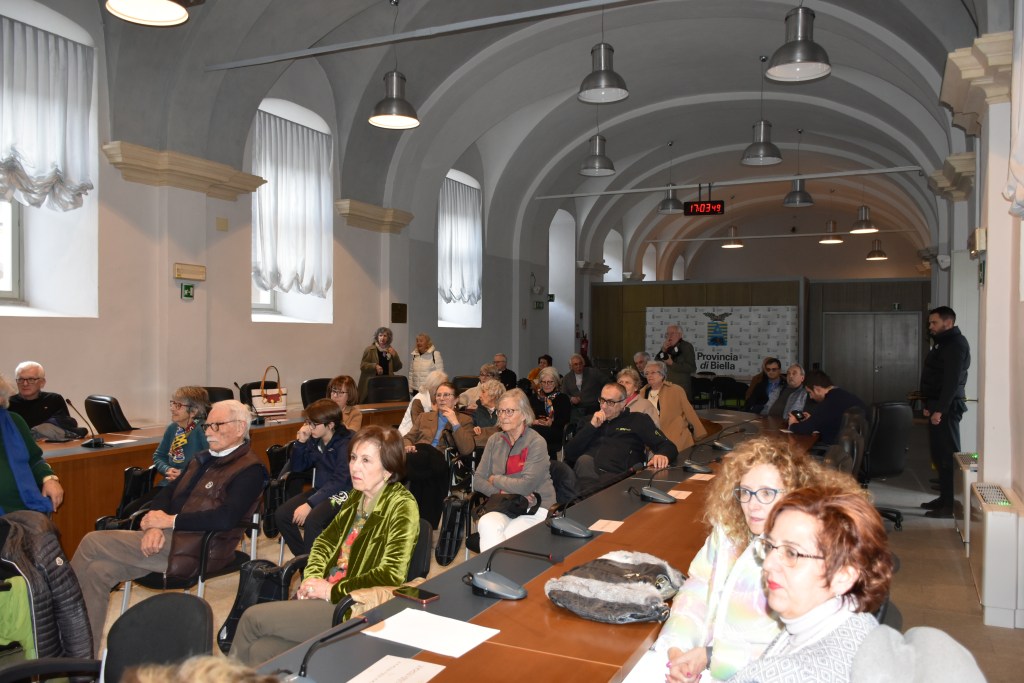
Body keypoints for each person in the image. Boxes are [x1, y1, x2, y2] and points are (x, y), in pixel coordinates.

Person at [71, 400, 268, 652]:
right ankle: (81, 655)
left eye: (216, 425)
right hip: (169, 539)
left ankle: (57, 614)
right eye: (207, 426)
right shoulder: (203, 458)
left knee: (92, 541)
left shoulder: (250, 469)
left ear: (240, 428)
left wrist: (170, 521)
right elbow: (167, 493)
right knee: (97, 571)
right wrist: (154, 525)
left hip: (200, 548)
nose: (208, 432)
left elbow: (225, 518)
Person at [655, 438, 857, 682]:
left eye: (766, 493)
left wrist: (710, 657)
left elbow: (797, 652)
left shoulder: (807, 553)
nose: (753, 505)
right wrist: (678, 647)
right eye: (746, 492)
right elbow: (698, 586)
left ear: (794, 493)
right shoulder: (728, 531)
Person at [230, 425, 418, 666]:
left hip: (353, 606)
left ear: (388, 469)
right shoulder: (357, 496)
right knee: (261, 650)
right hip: (326, 592)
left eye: (365, 460)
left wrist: (331, 590)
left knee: (252, 619)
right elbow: (324, 542)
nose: (354, 467)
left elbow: (391, 574)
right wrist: (312, 578)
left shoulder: (402, 505)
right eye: (353, 458)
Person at [728, 486, 895, 682]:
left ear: (843, 576)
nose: (768, 564)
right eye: (770, 546)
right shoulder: (860, 623)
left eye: (791, 553)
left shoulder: (791, 675)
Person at [473, 389, 556, 551]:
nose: (503, 416)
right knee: (486, 523)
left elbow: (526, 486)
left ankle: (502, 566)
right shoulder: (494, 440)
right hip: (505, 503)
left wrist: (495, 479)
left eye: (509, 411)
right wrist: (503, 493)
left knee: (511, 536)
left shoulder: (536, 442)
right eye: (500, 411)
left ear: (524, 414)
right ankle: (495, 567)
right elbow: (478, 480)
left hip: (535, 505)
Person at [563, 382, 678, 491]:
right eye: (602, 400)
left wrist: (662, 455)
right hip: (586, 477)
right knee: (581, 464)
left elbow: (668, 446)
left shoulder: (637, 420)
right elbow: (570, 453)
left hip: (619, 480)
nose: (604, 406)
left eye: (610, 402)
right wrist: (591, 427)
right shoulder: (590, 421)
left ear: (623, 403)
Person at [275, 399, 354, 556]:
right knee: (282, 515)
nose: (309, 427)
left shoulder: (346, 442)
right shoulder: (315, 439)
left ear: (330, 425)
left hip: (344, 493)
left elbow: (340, 481)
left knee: (313, 520)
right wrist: (300, 443)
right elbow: (298, 467)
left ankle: (313, 567)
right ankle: (305, 561)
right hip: (322, 490)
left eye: (313, 424)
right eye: (308, 422)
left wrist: (310, 504)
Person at [122, 386, 211, 517]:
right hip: (167, 484)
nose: (172, 408)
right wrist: (167, 469)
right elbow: (159, 456)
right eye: (172, 403)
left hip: (191, 487)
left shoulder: (203, 430)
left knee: (146, 514)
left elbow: (212, 461)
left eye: (178, 405)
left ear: (193, 411)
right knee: (131, 511)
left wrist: (185, 474)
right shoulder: (172, 428)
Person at [919, 306, 970, 519]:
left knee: (948, 456)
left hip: (947, 408)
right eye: (930, 323)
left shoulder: (956, 344)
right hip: (938, 405)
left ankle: (950, 506)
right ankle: (943, 498)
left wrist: (940, 409)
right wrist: (928, 404)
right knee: (939, 455)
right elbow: (935, 377)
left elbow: (951, 381)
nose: (930, 326)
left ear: (948, 323)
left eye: (934, 323)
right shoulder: (943, 343)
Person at [403, 381, 474, 526]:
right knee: (421, 468)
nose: (441, 398)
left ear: (456, 400)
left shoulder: (464, 420)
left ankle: (395, 477)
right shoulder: (424, 417)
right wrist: (408, 445)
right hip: (419, 458)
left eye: (446, 395)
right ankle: (424, 523)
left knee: (420, 456)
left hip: (442, 459)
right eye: (439, 395)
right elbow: (408, 437)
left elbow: (467, 449)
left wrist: (455, 423)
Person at [0, 373, 64, 514]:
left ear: (2, 399)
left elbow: (34, 459)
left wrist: (50, 479)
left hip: (24, 506)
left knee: (41, 526)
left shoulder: (14, 421)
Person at [788, 369, 867, 445]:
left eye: (810, 392)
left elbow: (804, 429)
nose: (811, 397)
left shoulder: (828, 403)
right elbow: (823, 420)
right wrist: (812, 419)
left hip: (834, 449)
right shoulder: (840, 395)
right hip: (855, 446)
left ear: (817, 389)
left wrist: (792, 424)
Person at [642, 360, 707, 453]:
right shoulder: (642, 392)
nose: (649, 375)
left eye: (653, 372)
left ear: (662, 375)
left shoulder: (676, 390)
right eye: (647, 373)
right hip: (652, 441)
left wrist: (699, 432)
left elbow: (689, 412)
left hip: (676, 438)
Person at [8, 361, 73, 430]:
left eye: (31, 379)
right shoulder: (7, 403)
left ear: (42, 382)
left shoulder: (54, 400)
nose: (25, 384)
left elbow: (67, 427)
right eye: (20, 379)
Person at [529, 366, 570, 458]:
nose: (547, 384)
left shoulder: (563, 398)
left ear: (556, 382)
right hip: (536, 426)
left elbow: (565, 420)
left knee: (533, 432)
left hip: (555, 429)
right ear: (540, 383)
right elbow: (528, 415)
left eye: (550, 382)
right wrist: (534, 421)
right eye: (544, 382)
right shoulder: (534, 398)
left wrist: (551, 422)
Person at [357, 327, 403, 402]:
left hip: (387, 384)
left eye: (385, 336)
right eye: (380, 335)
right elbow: (363, 366)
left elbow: (397, 367)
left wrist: (395, 355)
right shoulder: (370, 350)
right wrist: (374, 366)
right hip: (373, 384)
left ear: (388, 338)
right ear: (377, 337)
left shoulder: (391, 350)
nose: (382, 338)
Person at [398, 370, 448, 436]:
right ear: (434, 387)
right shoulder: (418, 400)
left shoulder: (440, 398)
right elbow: (419, 426)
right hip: (410, 436)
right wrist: (434, 413)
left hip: (430, 434)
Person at [655, 325, 697, 399]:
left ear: (680, 335)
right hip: (666, 387)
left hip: (680, 388)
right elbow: (657, 363)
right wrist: (663, 349)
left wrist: (672, 364)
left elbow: (692, 368)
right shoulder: (667, 347)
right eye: (668, 334)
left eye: (672, 333)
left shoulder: (686, 346)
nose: (669, 336)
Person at [561, 353, 605, 423]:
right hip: (577, 409)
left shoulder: (593, 373)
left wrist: (602, 397)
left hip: (593, 407)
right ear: (571, 366)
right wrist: (571, 398)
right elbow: (563, 394)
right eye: (575, 364)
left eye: (580, 363)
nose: (579, 366)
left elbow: (607, 383)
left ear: (583, 364)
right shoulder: (567, 378)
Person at [471, 379, 506, 449]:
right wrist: (474, 429)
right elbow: (470, 426)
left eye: (483, 392)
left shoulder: (505, 412)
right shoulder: (477, 411)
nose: (480, 396)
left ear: (493, 395)